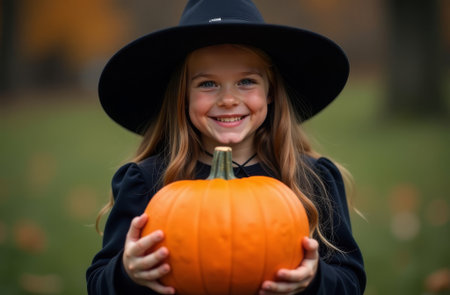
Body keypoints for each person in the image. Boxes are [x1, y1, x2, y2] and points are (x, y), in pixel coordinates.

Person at [86, 0, 366, 294]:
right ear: (183, 96)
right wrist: (127, 272)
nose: (228, 99)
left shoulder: (313, 179)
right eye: (208, 84)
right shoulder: (146, 182)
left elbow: (350, 282)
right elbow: (98, 285)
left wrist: (314, 278)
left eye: (246, 81)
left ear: (270, 91)